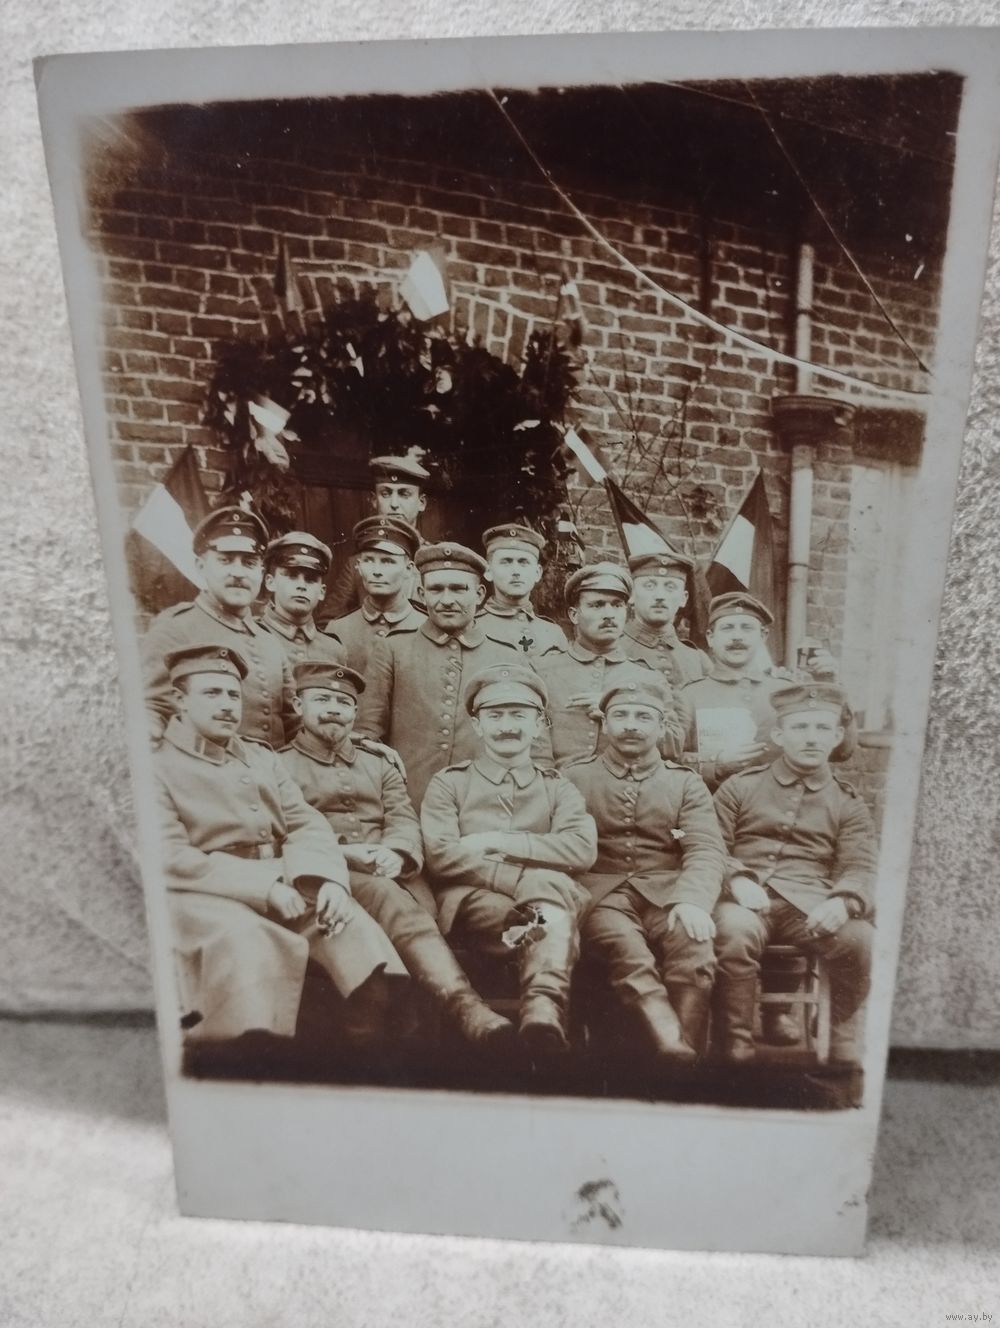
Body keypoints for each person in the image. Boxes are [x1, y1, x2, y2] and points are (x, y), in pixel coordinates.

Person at [153, 643, 406, 1058]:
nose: (227, 705)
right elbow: (170, 856)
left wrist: (327, 880)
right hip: (199, 896)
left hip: (284, 878)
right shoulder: (156, 766)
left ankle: (363, 1063)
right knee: (245, 940)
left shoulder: (259, 757)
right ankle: (246, 1063)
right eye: (212, 693)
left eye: (233, 694)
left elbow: (306, 823)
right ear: (180, 699)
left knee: (350, 929)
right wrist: (265, 887)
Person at [280, 659, 512, 1046]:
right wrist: (349, 854)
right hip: (327, 875)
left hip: (391, 872)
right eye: (322, 700)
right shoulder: (279, 765)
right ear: (298, 706)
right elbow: (285, 832)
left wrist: (398, 852)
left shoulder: (378, 762)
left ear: (356, 712)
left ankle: (420, 1036)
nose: (334, 709)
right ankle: (464, 1006)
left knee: (420, 907)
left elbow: (402, 816)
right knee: (390, 898)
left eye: (343, 703)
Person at [421, 665, 597, 1053]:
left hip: (536, 914)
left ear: (539, 725)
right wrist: (526, 877)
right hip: (476, 909)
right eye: (495, 716)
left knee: (545, 917)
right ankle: (544, 1010)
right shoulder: (450, 783)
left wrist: (498, 841)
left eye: (518, 716)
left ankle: (541, 1014)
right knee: (551, 912)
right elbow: (442, 855)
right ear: (477, 725)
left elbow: (581, 848)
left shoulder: (558, 787)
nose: (507, 727)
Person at [711, 683, 876, 1067]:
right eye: (800, 727)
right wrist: (736, 878)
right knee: (734, 931)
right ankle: (733, 1037)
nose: (811, 738)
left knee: (862, 940)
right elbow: (709, 844)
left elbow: (861, 863)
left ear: (837, 736)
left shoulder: (847, 802)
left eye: (822, 728)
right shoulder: (740, 787)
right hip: (743, 898)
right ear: (779, 735)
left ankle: (839, 1027)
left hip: (810, 902)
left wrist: (844, 900)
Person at [563, 677, 724, 1063]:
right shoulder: (573, 777)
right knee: (626, 947)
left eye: (643, 717)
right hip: (601, 895)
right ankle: (671, 1040)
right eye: (621, 716)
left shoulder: (684, 783)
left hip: (667, 892)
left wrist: (693, 900)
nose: (631, 725)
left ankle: (683, 1058)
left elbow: (704, 847)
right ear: (604, 724)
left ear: (662, 726)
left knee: (695, 946)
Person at [355, 541, 549, 808]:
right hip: (407, 802)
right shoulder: (393, 649)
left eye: (458, 589)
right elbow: (366, 736)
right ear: (421, 594)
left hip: (486, 806)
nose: (446, 600)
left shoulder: (508, 656)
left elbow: (536, 744)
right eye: (436, 589)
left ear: (479, 594)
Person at [140, 506, 296, 747]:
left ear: (261, 572)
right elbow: (151, 709)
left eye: (249, 563)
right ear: (201, 567)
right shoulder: (176, 628)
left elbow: (292, 723)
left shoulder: (269, 641)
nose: (238, 573)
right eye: (225, 560)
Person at [679, 592, 856, 792]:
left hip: (780, 805)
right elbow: (668, 762)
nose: (737, 636)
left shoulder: (788, 692)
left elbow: (841, 751)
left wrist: (831, 687)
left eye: (747, 628)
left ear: (763, 636)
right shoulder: (690, 695)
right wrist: (715, 763)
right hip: (713, 805)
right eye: (728, 628)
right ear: (711, 638)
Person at [537, 562, 685, 765]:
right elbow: (533, 748)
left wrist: (620, 712)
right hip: (558, 781)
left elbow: (674, 745)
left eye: (617, 605)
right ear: (574, 615)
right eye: (597, 605)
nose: (609, 614)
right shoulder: (543, 670)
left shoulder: (649, 677)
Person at [325, 453, 430, 619]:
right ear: (374, 500)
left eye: (404, 494)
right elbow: (328, 622)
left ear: (421, 503)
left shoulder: (432, 560)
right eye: (386, 493)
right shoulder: (356, 563)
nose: (394, 504)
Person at [323, 515, 424, 674]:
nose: (377, 571)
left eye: (387, 562)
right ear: (358, 566)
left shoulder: (426, 626)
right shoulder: (338, 630)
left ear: (409, 569)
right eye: (369, 560)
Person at [258, 531, 346, 669]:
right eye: (292, 576)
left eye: (310, 579)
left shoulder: (334, 650)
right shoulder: (253, 639)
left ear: (322, 591)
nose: (301, 586)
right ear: (270, 582)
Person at [477, 523, 567, 658]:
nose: (516, 571)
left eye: (523, 562)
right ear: (488, 571)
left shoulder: (554, 634)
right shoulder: (473, 628)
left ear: (537, 573)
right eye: (506, 562)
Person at [623, 550, 710, 686]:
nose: (660, 596)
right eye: (649, 586)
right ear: (631, 594)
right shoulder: (612, 650)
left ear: (683, 599)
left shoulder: (699, 661)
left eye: (670, 587)